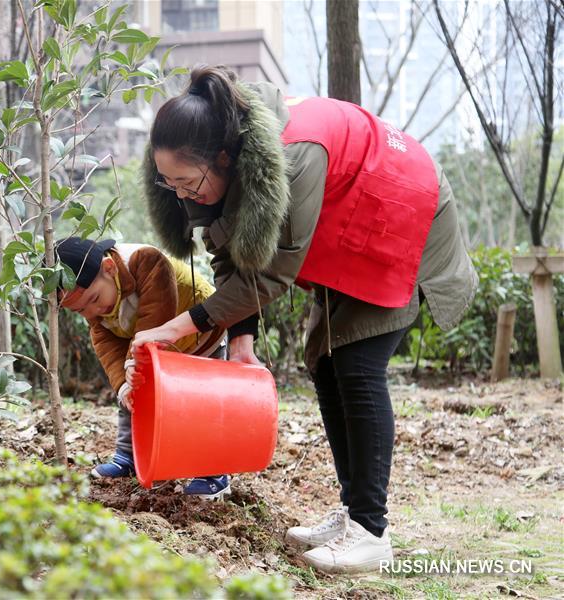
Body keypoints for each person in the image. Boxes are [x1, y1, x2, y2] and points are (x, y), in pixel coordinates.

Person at [131, 66, 477, 572]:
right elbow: (233, 258)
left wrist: (177, 325)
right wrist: (242, 339)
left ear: (224, 158)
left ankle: (371, 532)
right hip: (346, 228)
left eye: (187, 182)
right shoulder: (213, 171)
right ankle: (352, 514)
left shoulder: (289, 161)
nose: (180, 194)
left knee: (356, 366)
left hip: (401, 215)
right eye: (168, 183)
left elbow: (268, 276)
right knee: (326, 363)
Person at [56, 236, 231, 499]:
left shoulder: (145, 261)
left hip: (200, 335)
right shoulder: (98, 310)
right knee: (132, 396)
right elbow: (107, 346)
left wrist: (133, 361)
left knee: (205, 404)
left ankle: (212, 472)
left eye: (94, 299)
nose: (92, 313)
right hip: (151, 350)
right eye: (81, 311)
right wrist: (123, 383)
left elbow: (157, 313)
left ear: (109, 268)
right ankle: (128, 457)